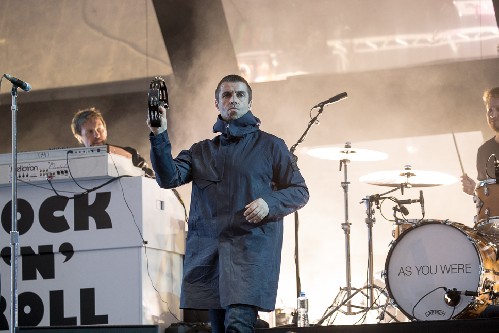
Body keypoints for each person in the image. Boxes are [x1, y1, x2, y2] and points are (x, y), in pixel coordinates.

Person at [147, 74, 309, 333]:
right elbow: (168, 178)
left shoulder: (271, 146)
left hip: (250, 253)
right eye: (226, 95)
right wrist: (159, 134)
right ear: (217, 103)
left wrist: (269, 203)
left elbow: (300, 191)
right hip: (211, 254)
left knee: (237, 325)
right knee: (220, 329)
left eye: (239, 95)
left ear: (249, 102)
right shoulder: (201, 151)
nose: (233, 99)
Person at [71, 107, 154, 177]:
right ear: (79, 137)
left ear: (106, 130)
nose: (97, 135)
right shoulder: (72, 164)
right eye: (90, 132)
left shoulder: (130, 154)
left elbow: (151, 180)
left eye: (100, 130)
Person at [461, 87, 499, 195]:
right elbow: (487, 199)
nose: (493, 115)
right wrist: (475, 190)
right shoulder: (484, 151)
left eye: (498, 109)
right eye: (490, 110)